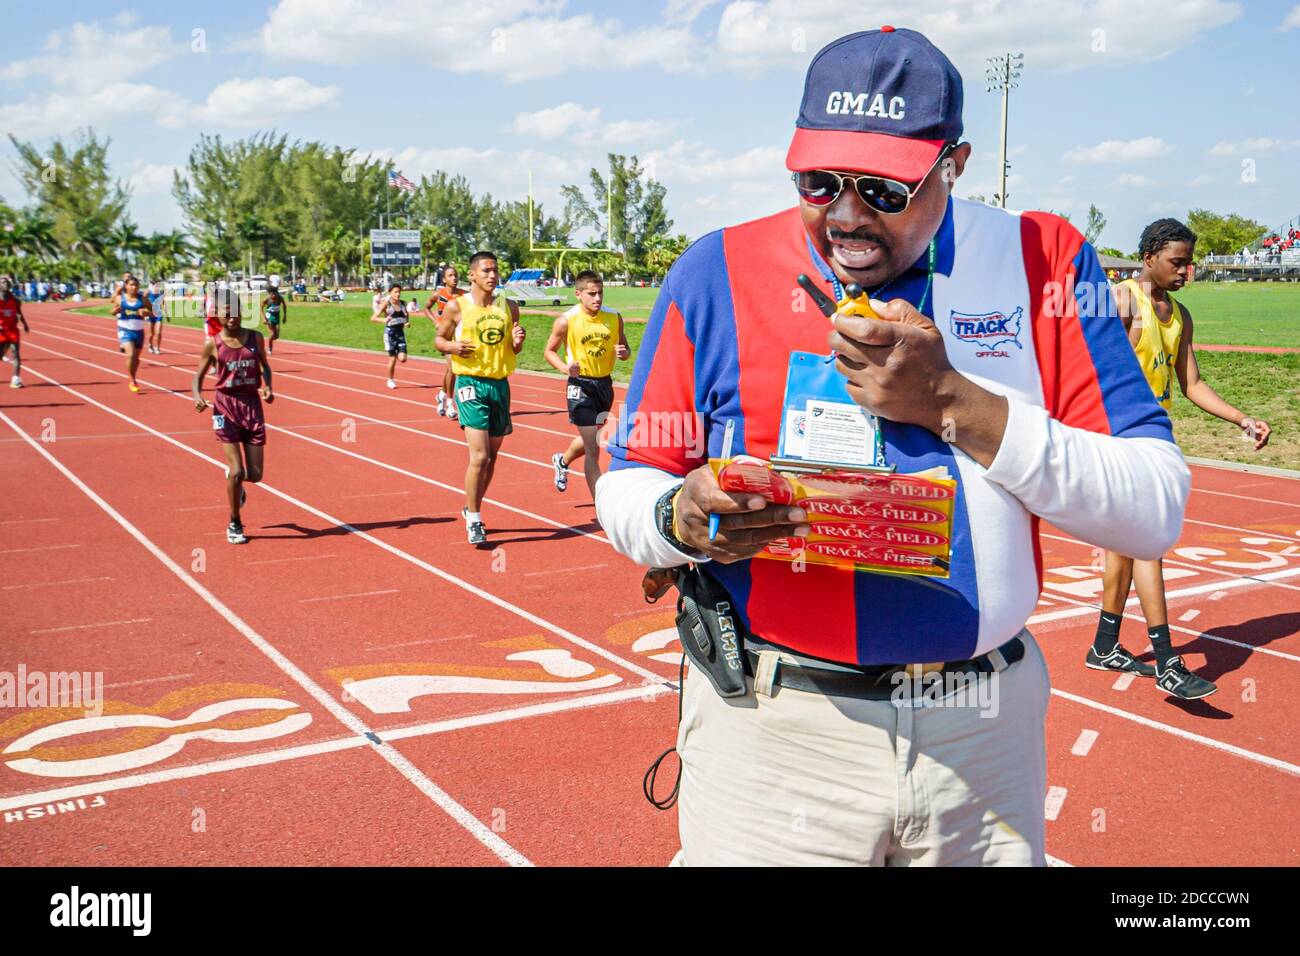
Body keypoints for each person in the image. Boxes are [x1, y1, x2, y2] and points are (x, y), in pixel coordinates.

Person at [595, 26, 1190, 867]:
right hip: (777, 735)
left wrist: (957, 404)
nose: (845, 213)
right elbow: (626, 485)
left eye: (883, 186)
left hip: (980, 735)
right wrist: (680, 520)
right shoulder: (713, 271)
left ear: (955, 161)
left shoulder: (1042, 260)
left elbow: (1154, 509)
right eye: (817, 180)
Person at [1090, 218, 1271, 700]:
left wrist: (1241, 418)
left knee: (1124, 547)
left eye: (1190, 262)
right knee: (1146, 541)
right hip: (1120, 439)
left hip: (1154, 439)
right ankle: (1169, 660)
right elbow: (1083, 362)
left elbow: (1190, 383)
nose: (1187, 271)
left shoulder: (1180, 314)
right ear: (1148, 257)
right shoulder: (1122, 301)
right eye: (1178, 261)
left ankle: (1105, 645)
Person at [436, 251, 525, 546]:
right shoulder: (456, 307)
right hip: (470, 384)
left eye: (495, 271)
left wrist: (516, 343)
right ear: (472, 274)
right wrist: (452, 346)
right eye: (486, 270)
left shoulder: (508, 307)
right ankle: (474, 519)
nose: (492, 276)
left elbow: (513, 351)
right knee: (480, 455)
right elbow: (438, 340)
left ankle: (470, 505)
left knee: (493, 457)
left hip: (499, 385)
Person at [192, 287, 274, 545]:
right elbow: (198, 377)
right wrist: (197, 397)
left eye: (236, 312)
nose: (233, 318)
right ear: (216, 314)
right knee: (237, 470)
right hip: (225, 407)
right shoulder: (212, 344)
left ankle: (236, 486)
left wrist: (268, 386)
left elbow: (265, 366)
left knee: (256, 475)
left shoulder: (256, 338)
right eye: (227, 313)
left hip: (251, 405)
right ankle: (234, 522)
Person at [543, 271, 629, 497]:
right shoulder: (566, 320)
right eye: (592, 294)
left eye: (600, 293)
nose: (597, 298)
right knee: (593, 449)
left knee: (592, 438)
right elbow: (548, 351)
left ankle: (562, 461)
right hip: (579, 385)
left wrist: (624, 352)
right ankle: (600, 503)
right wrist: (564, 368)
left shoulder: (614, 317)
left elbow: (626, 349)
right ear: (578, 294)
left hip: (604, 386)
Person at [423, 263, 466, 419]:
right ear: (444, 279)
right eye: (450, 276)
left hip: (458, 336)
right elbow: (426, 308)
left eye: (455, 275)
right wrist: (435, 321)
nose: (454, 278)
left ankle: (441, 394)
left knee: (450, 369)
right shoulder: (438, 295)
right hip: (445, 337)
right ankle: (450, 403)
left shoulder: (463, 295)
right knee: (452, 367)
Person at [111, 275, 153, 393]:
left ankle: (133, 376)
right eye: (131, 285)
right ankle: (132, 379)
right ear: (126, 286)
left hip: (139, 331)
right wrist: (114, 311)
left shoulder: (143, 300)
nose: (133, 287)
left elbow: (156, 312)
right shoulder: (120, 299)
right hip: (124, 329)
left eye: (136, 285)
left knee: (136, 358)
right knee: (130, 355)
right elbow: (112, 310)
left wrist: (147, 312)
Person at [370, 282, 409, 389]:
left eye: (399, 292)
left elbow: (406, 315)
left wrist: (406, 322)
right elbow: (373, 318)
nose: (398, 294)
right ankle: (390, 380)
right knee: (392, 359)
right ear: (390, 293)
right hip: (390, 334)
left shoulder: (403, 304)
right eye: (395, 292)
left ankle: (396, 352)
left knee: (402, 359)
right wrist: (384, 319)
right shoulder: (386, 305)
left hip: (400, 333)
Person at [0, 276, 30, 388]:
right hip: (1, 332)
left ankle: (15, 379)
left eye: (7, 282)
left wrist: (25, 324)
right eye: (3, 282)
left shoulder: (16, 300)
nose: (6, 284)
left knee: (16, 354)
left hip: (12, 330)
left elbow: (19, 312)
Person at [262, 281, 287, 353]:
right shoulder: (266, 300)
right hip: (269, 317)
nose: (274, 296)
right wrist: (263, 318)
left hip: (277, 317)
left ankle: (269, 340)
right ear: (270, 294)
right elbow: (261, 308)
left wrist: (285, 316)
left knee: (276, 336)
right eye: (272, 294)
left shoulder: (280, 298)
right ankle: (269, 349)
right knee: (272, 334)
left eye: (276, 294)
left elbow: (284, 306)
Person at [145, 280, 167, 354]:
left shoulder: (161, 292)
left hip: (159, 314)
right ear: (153, 285)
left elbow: (163, 303)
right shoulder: (149, 291)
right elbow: (143, 300)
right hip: (151, 314)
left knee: (158, 332)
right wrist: (145, 312)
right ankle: (150, 345)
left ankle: (157, 348)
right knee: (151, 333)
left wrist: (167, 314)